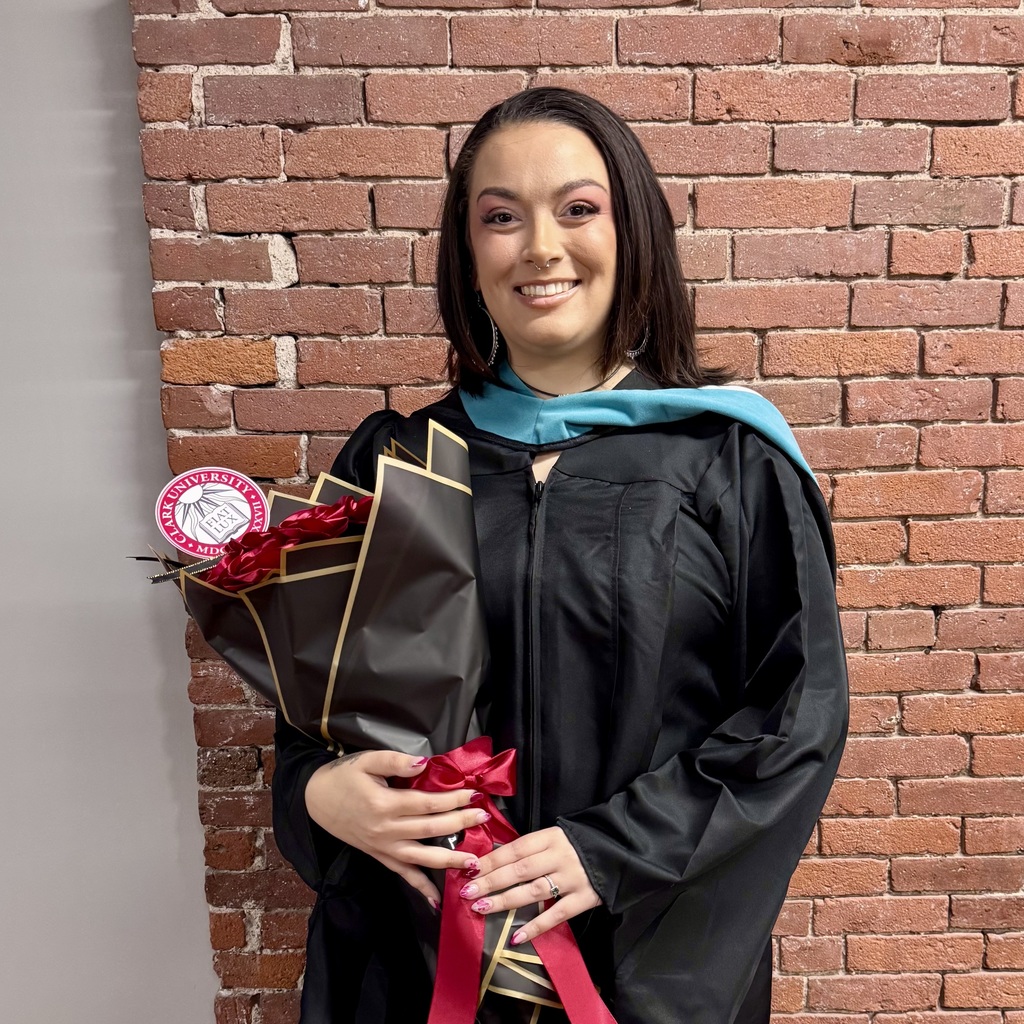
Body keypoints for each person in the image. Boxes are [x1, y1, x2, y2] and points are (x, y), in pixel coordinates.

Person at [271, 87, 849, 1024]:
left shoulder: (731, 463)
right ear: (468, 255)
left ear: (633, 234)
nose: (540, 247)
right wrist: (319, 792)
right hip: (421, 956)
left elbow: (794, 720)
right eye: (501, 218)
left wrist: (608, 851)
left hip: (639, 956)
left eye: (578, 209)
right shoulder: (396, 463)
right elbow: (317, 705)